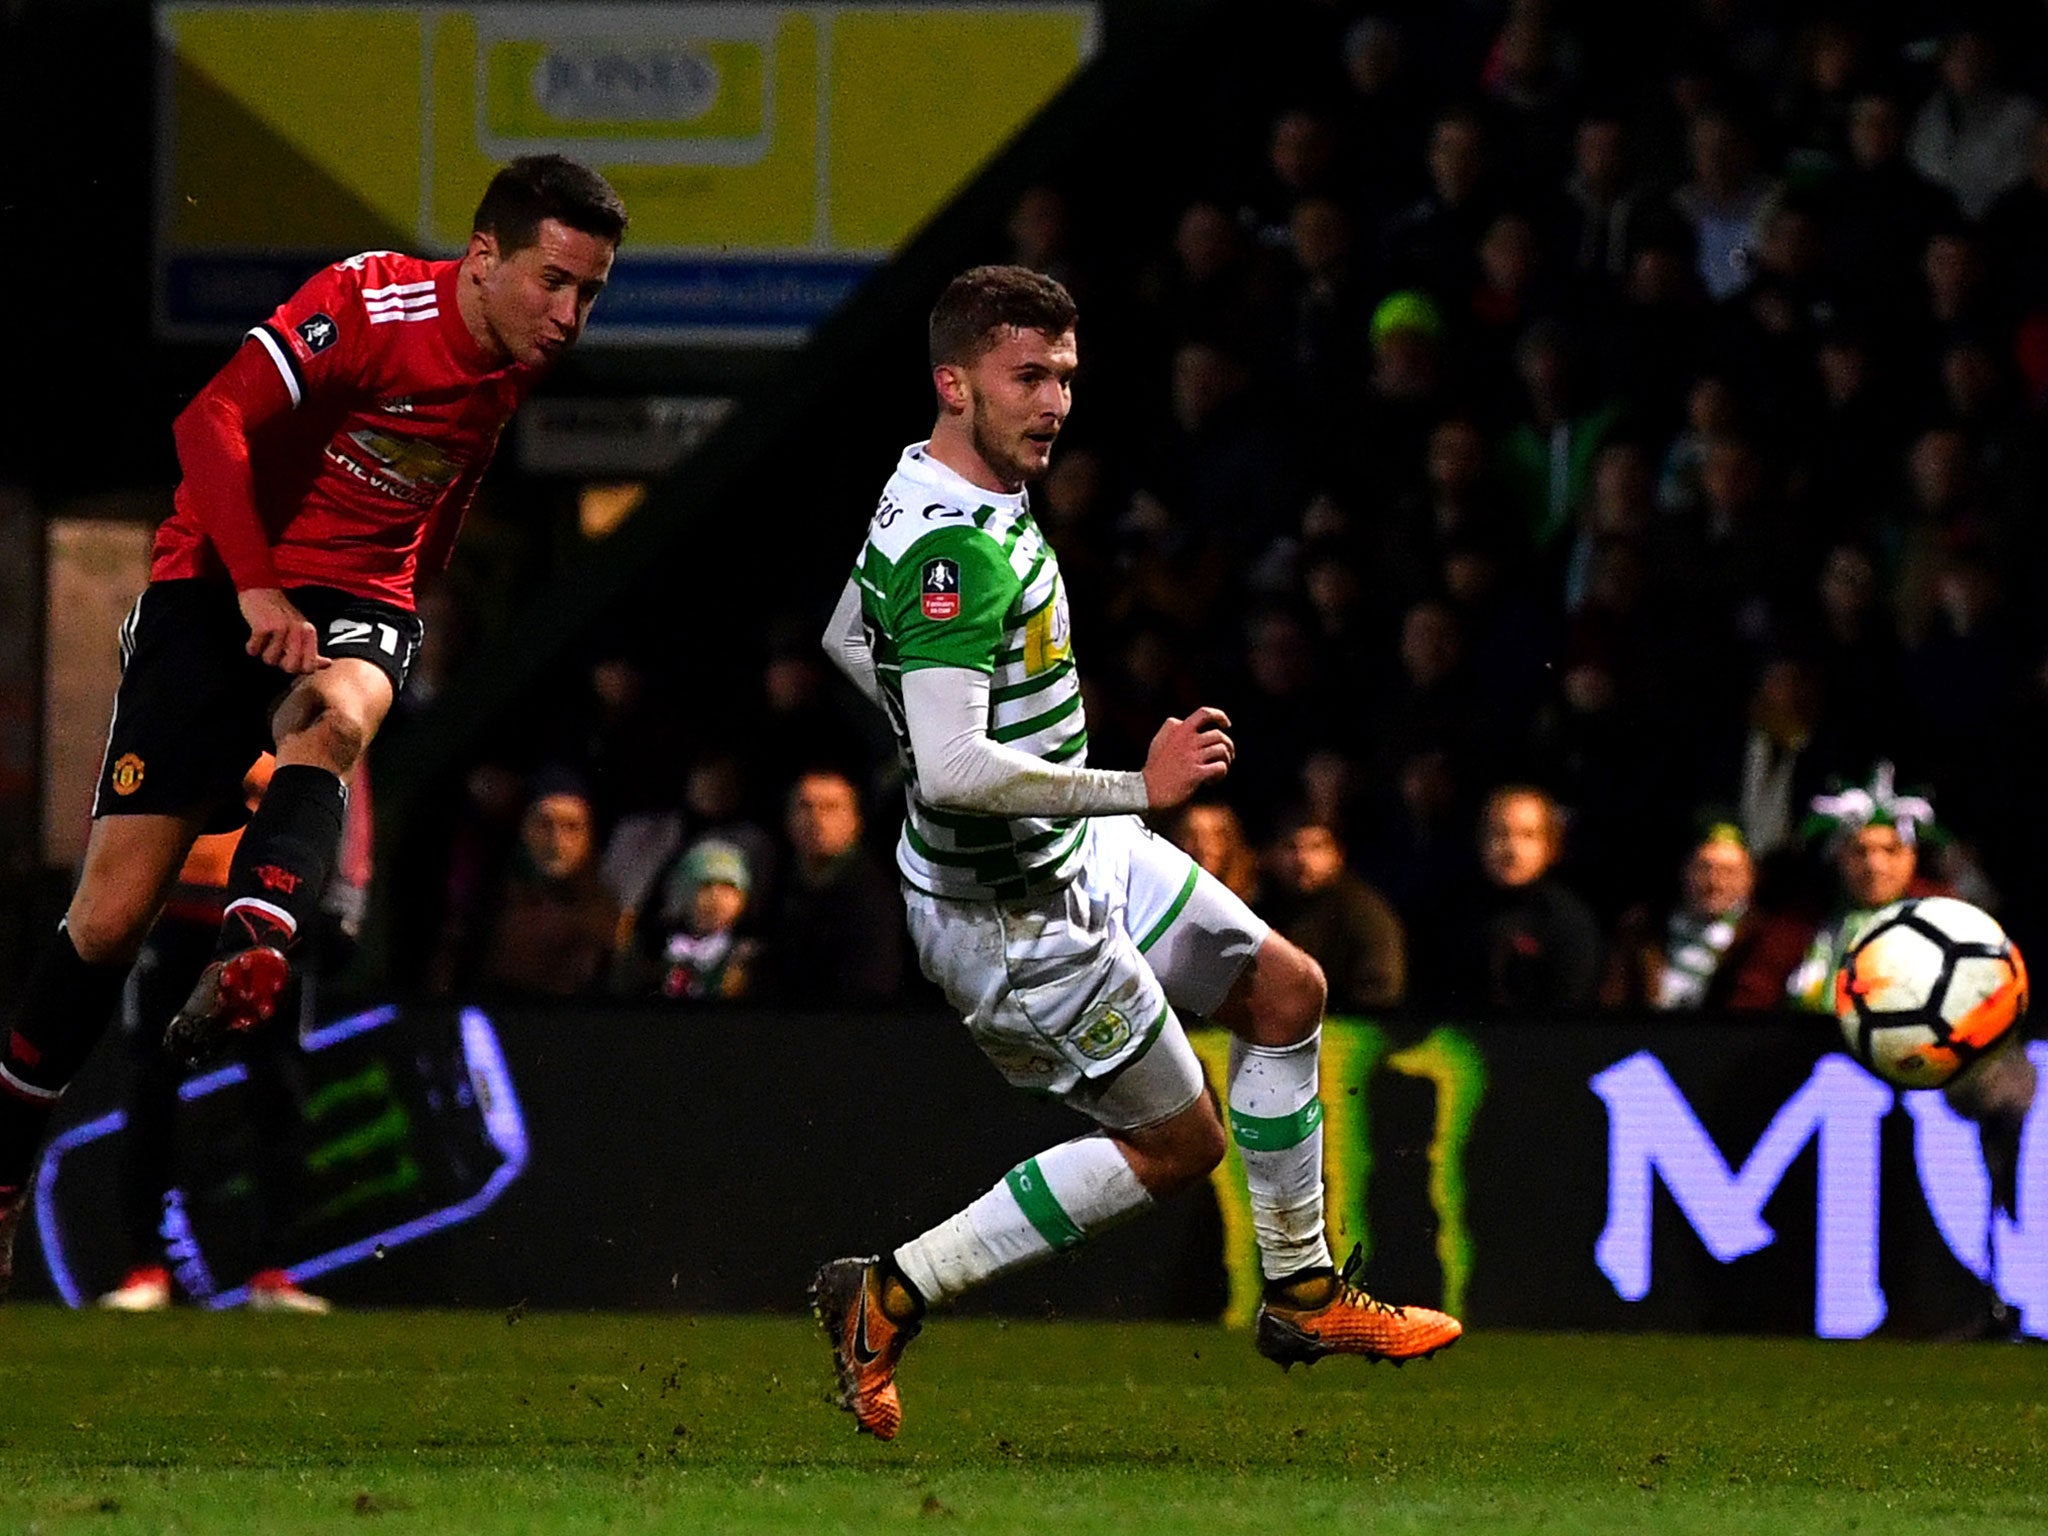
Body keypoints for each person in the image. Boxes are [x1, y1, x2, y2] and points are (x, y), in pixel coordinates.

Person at [810, 266, 1458, 1440]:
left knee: (1284, 988)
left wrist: (1053, 786)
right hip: (1015, 918)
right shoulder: (949, 547)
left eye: (1064, 374)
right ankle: (888, 1291)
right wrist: (1135, 787)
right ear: (953, 384)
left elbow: (846, 637)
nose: (1053, 400)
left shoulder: (938, 485)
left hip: (1075, 849)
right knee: (1176, 1143)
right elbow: (954, 768)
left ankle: (1303, 1293)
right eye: (1026, 376)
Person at [0, 155, 627, 1295]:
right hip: (219, 583)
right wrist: (253, 590)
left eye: (588, 293)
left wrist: (420, 585)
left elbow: (450, 470)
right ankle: (2, 1165)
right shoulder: (369, 304)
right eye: (553, 282)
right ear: (481, 258)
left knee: (339, 714)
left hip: (358, 598)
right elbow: (208, 422)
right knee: (105, 922)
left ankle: (261, 937)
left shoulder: (515, 360)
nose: (568, 314)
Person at [765, 770, 902, 1005]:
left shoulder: (874, 898)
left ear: (855, 821)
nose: (816, 818)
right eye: (805, 807)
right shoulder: (775, 886)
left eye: (831, 807)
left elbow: (873, 986)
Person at [1601, 823, 1756, 1011]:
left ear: (1749, 879)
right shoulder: (1645, 928)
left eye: (1729, 872)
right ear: (1685, 871)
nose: (1715, 883)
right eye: (1704, 868)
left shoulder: (1759, 939)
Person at [1263, 816, 1406, 1013]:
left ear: (1338, 855)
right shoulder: (1263, 905)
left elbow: (1382, 989)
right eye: (1291, 847)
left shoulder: (1362, 910)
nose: (1302, 859)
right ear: (1272, 855)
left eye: (1316, 847)